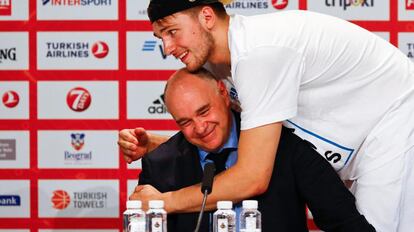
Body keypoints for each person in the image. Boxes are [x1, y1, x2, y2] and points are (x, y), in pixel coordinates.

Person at [119, 1, 414, 231]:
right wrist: (161, 146)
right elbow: (224, 134)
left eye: (172, 32)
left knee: (373, 228)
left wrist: (163, 202)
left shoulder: (259, 53)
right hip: (351, 141)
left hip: (393, 121)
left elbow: (252, 178)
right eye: (161, 37)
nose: (167, 48)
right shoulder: (218, 63)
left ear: (207, 17)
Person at [131, 68, 375, 232]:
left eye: (204, 111)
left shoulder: (283, 146)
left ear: (224, 94)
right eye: (185, 122)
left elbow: (345, 221)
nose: (200, 127)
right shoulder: (161, 163)